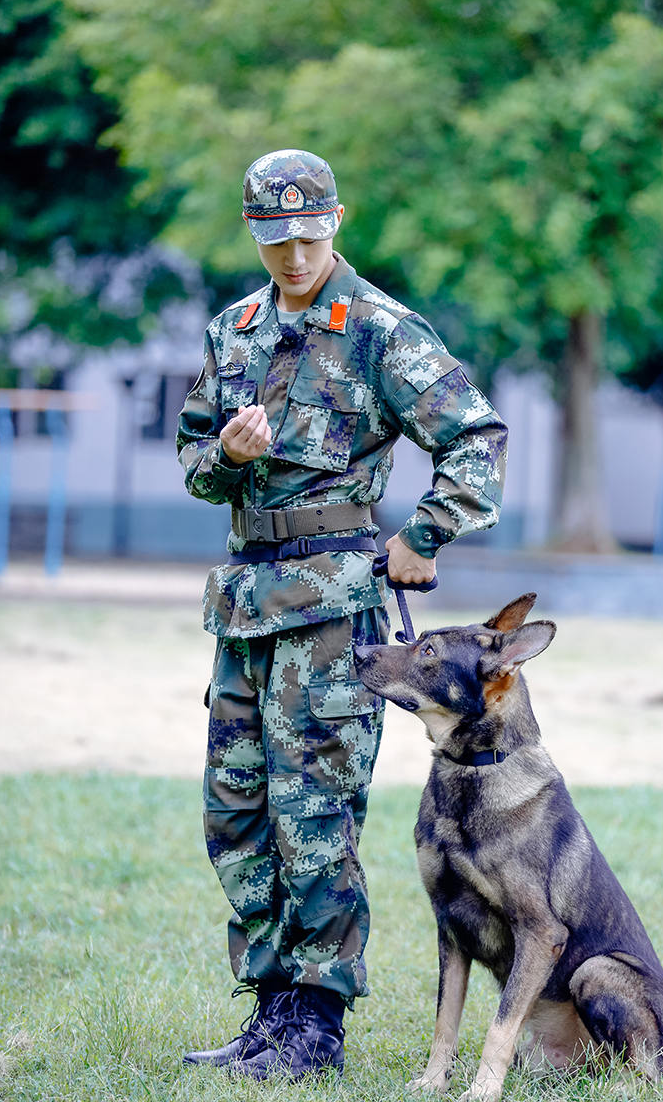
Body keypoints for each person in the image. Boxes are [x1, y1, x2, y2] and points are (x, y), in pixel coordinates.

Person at [176, 149, 507, 1082]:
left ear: (338, 221)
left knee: (314, 812)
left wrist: (426, 536)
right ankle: (271, 1012)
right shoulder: (232, 332)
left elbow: (476, 439)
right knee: (237, 812)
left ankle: (316, 1027)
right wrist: (231, 458)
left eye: (310, 233)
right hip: (245, 607)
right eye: (273, 235)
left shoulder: (379, 331)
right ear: (252, 230)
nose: (292, 253)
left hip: (334, 612)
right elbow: (196, 465)